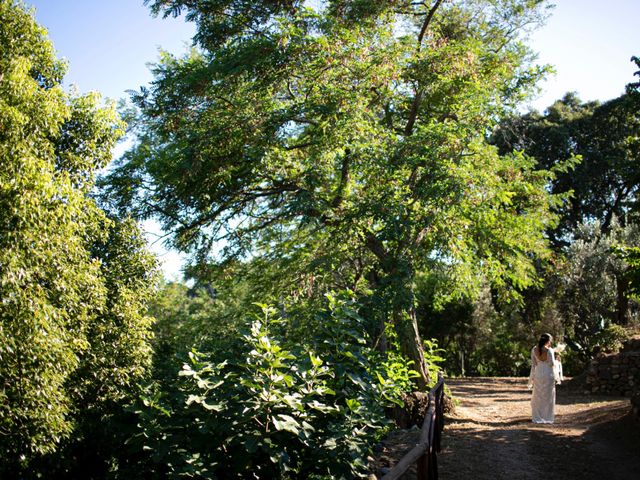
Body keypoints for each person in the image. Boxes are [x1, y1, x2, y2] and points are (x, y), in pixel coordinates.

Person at [528, 333, 560, 424]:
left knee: (538, 395)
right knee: (548, 396)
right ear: (548, 341)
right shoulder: (549, 350)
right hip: (548, 374)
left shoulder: (534, 349)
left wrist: (533, 376)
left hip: (538, 374)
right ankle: (547, 417)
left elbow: (534, 364)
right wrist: (558, 361)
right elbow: (552, 364)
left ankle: (537, 416)